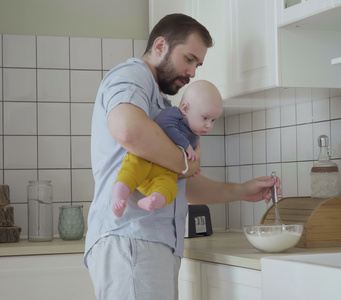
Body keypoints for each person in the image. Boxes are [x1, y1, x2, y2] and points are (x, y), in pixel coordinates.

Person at [85, 13, 280, 300]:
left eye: (197, 64)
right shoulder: (132, 75)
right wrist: (188, 163)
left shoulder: (162, 107)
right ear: (161, 45)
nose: (193, 72)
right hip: (131, 239)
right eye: (189, 59)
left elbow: (182, 181)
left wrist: (241, 191)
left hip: (146, 243)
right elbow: (127, 129)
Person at [111, 80, 223, 217]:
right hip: (146, 159)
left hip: (165, 172)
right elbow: (165, 125)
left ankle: (153, 199)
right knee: (130, 172)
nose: (209, 126)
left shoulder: (195, 136)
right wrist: (187, 146)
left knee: (169, 188)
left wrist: (194, 167)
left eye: (213, 120)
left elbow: (188, 161)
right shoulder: (174, 114)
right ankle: (119, 198)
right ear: (185, 108)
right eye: (205, 118)